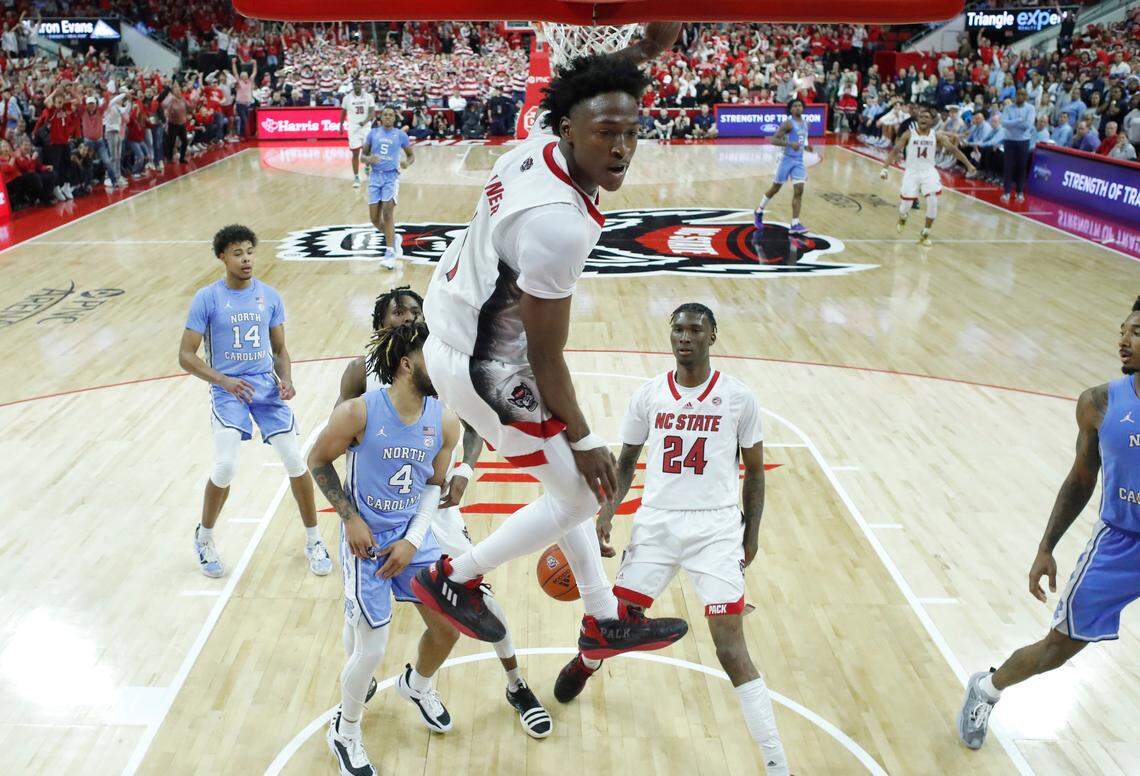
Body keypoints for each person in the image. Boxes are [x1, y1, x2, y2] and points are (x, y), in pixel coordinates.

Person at [414, 34, 690, 659]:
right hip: (483, 364)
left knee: (569, 490)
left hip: (460, 332)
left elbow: (589, 97)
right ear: (570, 130)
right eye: (606, 135)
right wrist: (588, 439)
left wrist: (647, 47)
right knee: (582, 489)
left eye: (631, 132)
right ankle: (451, 577)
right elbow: (545, 356)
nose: (621, 148)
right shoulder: (558, 225)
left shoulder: (538, 141)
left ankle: (601, 618)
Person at [554, 303, 791, 776]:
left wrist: (752, 534)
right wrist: (607, 511)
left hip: (716, 527)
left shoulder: (739, 398)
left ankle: (775, 761)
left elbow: (757, 472)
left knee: (730, 649)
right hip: (658, 523)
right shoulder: (648, 396)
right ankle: (587, 661)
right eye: (678, 329)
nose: (685, 337)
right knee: (616, 624)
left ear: (712, 337)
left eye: (695, 329)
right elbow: (625, 462)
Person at [335, 286, 553, 738]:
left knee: (478, 600)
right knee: (362, 627)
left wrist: (465, 470)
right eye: (400, 312)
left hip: (435, 508)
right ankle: (358, 687)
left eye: (417, 311)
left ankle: (512, 684)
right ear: (381, 325)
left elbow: (470, 425)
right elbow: (336, 444)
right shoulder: (363, 376)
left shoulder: (440, 369)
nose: (411, 317)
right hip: (382, 511)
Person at [958, 297, 1140, 752]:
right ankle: (987, 688)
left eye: (1135, 332)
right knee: (1056, 650)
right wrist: (1046, 547)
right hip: (1120, 545)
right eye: (1122, 329)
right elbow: (1081, 478)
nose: (1122, 339)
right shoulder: (1099, 403)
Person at [309, 321, 463, 776]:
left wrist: (413, 539)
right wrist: (350, 517)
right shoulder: (359, 413)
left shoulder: (446, 419)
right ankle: (346, 731)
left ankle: (417, 684)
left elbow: (434, 485)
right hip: (368, 544)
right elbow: (317, 461)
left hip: (412, 537)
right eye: (434, 356)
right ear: (406, 364)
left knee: (448, 629)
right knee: (373, 651)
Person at [178, 225, 331, 579]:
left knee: (295, 460)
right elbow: (186, 356)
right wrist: (224, 380)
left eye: (249, 251)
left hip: (265, 388)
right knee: (226, 466)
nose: (246, 259)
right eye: (237, 253)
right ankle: (204, 537)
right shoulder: (207, 298)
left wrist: (287, 380)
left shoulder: (269, 296)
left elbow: (280, 350)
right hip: (228, 391)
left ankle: (313, 540)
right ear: (222, 257)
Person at [881, 107, 975, 246]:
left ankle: (925, 233)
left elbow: (953, 150)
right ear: (917, 120)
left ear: (932, 121)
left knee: (932, 201)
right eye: (921, 117)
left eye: (926, 117)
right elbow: (895, 150)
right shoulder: (909, 134)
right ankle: (903, 217)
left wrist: (968, 165)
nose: (923, 119)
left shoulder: (937, 135)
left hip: (928, 171)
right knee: (906, 205)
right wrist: (885, 168)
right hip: (912, 172)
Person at [361, 106, 414, 269]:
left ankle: (390, 252)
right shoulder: (373, 134)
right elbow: (363, 156)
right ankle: (394, 238)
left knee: (387, 213)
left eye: (391, 115)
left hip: (391, 177)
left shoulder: (400, 135)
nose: (388, 117)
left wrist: (406, 162)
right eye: (385, 115)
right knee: (374, 219)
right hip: (375, 177)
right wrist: (369, 159)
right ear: (381, 117)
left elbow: (411, 155)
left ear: (394, 118)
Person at [755, 98, 811, 234]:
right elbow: (773, 139)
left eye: (800, 106)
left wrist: (808, 148)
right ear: (791, 109)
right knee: (775, 188)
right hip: (786, 159)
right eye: (795, 106)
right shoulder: (788, 124)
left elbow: (804, 141)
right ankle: (759, 210)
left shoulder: (806, 124)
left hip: (798, 161)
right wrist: (789, 144)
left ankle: (795, 223)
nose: (798, 108)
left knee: (799, 191)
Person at [999, 88, 1035, 203]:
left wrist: (1012, 122)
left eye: (1022, 94)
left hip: (1023, 141)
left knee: (1021, 167)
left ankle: (1019, 192)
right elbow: (1004, 123)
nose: (1020, 96)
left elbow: (1027, 125)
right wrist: (1019, 120)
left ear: (1026, 96)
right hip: (1009, 140)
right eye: (1018, 94)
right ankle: (1006, 192)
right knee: (1008, 166)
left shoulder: (1030, 108)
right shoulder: (1008, 108)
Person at [340, 76, 376, 188]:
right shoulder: (347, 98)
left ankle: (367, 166)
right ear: (352, 86)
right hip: (353, 128)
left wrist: (365, 121)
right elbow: (343, 112)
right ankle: (356, 177)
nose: (357, 86)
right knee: (355, 153)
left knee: (368, 151)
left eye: (358, 84)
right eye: (355, 84)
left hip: (365, 127)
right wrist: (340, 125)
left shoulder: (369, 97)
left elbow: (372, 113)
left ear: (361, 85)